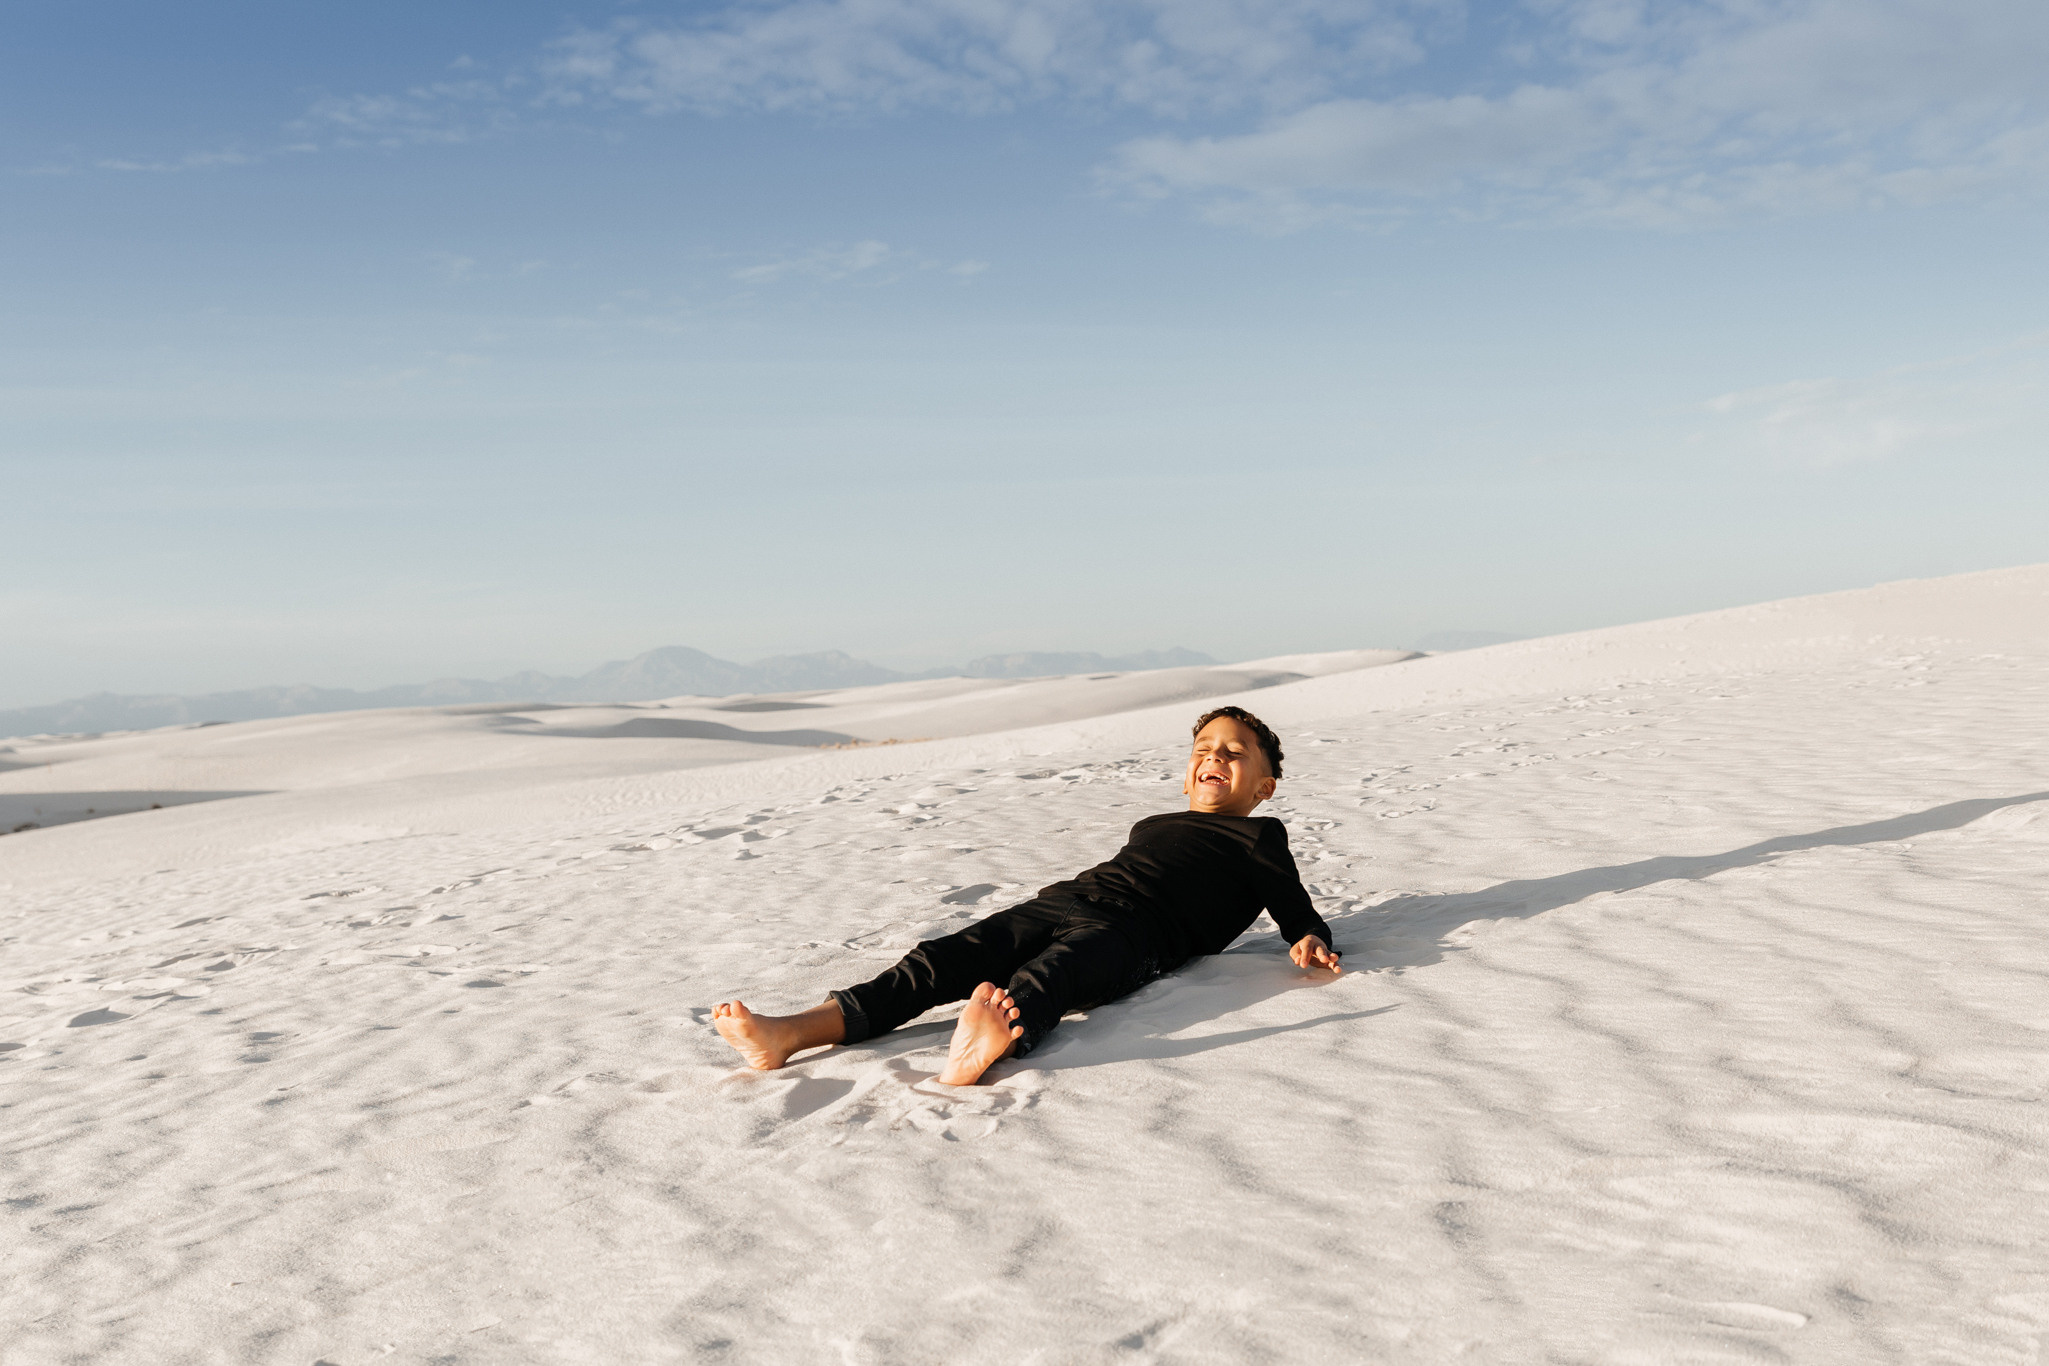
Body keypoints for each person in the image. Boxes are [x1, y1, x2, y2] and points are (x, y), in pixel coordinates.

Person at [712, 705, 1342, 1085]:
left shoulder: (1260, 837)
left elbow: (1292, 904)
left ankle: (985, 1049)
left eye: (1235, 753)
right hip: (1064, 899)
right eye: (1203, 749)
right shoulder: (1154, 825)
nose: (1215, 757)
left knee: (1055, 977)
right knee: (943, 959)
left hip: (1137, 933)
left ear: (1265, 786)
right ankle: (792, 1032)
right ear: (1185, 774)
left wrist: (1309, 937)